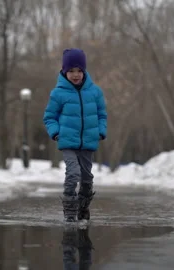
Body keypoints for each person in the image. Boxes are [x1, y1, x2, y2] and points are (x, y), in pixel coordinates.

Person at [43, 48, 108, 222]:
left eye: (79, 70)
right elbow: (49, 117)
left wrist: (101, 131)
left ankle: (83, 208)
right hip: (67, 141)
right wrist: (55, 132)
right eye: (71, 70)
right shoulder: (58, 93)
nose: (76, 74)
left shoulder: (95, 92)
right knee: (73, 173)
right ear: (64, 71)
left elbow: (102, 114)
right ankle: (70, 209)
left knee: (87, 179)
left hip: (88, 142)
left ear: (84, 70)